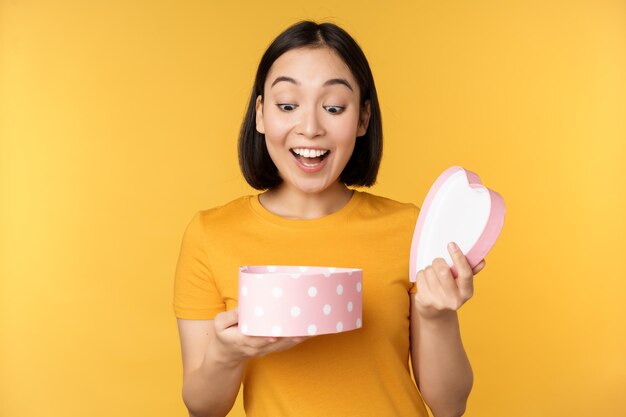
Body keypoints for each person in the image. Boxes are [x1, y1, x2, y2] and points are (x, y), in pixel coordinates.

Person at [173, 20, 486, 417]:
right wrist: (226, 352)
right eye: (287, 105)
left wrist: (436, 313)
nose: (310, 128)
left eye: (334, 107)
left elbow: (450, 405)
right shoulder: (210, 234)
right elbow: (203, 408)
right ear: (260, 115)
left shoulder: (411, 229)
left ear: (362, 119)